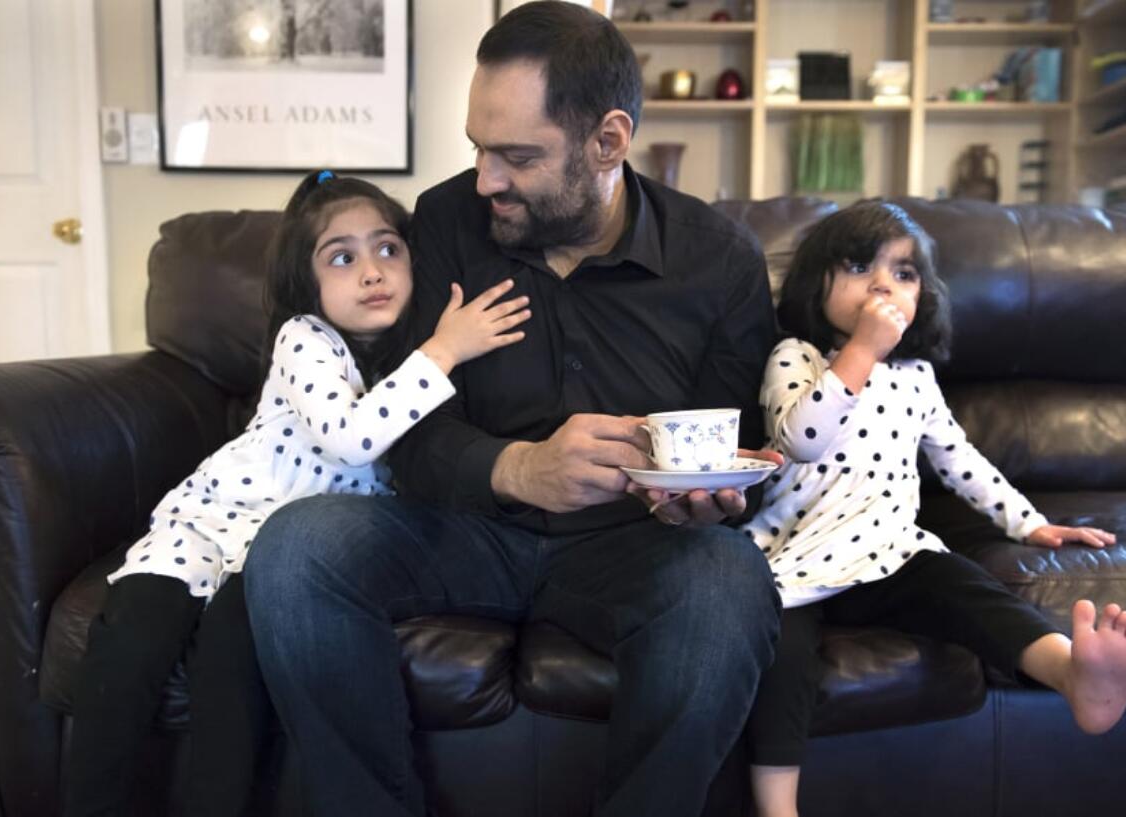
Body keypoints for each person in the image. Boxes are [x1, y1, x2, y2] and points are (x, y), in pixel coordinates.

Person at [243, 4, 783, 816]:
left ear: (609, 141)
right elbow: (407, 435)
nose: (486, 179)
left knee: (729, 578)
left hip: (630, 547)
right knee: (296, 548)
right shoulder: (446, 222)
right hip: (465, 530)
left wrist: (711, 501)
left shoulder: (720, 263)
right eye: (478, 149)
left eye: (518, 156)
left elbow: (746, 457)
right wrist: (518, 467)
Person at [65, 171, 530, 817]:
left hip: (290, 556)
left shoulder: (413, 351)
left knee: (234, 657)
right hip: (217, 519)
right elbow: (350, 437)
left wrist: (439, 351)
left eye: (388, 248)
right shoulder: (306, 338)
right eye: (342, 256)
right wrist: (444, 350)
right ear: (305, 282)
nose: (372, 271)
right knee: (135, 637)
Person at [741, 201, 1126, 817]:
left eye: (903, 273)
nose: (883, 285)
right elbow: (801, 438)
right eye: (859, 267)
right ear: (812, 283)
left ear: (923, 297)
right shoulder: (796, 356)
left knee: (971, 590)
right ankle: (778, 809)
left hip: (891, 549)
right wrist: (862, 351)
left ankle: (1075, 677)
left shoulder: (917, 377)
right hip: (795, 559)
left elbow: (963, 460)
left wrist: (1029, 523)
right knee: (781, 662)